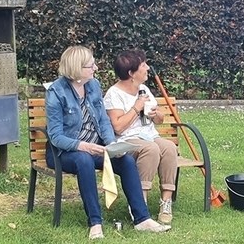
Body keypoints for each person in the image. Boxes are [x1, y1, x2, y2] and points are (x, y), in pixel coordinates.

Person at [45, 46, 171, 240]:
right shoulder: (56, 92)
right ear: (77, 69)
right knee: (84, 161)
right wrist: (84, 146)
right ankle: (95, 223)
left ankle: (142, 219)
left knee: (126, 161)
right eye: (91, 65)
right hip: (65, 152)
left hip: (96, 147)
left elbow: (103, 120)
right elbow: (55, 137)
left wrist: (112, 145)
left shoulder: (93, 85)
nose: (95, 68)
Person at [103, 50, 178, 224]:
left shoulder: (143, 89)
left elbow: (160, 120)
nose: (147, 68)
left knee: (169, 148)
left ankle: (166, 202)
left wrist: (156, 113)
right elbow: (118, 127)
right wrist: (137, 108)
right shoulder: (113, 94)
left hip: (149, 135)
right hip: (127, 140)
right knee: (150, 149)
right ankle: (139, 203)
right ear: (131, 73)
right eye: (143, 65)